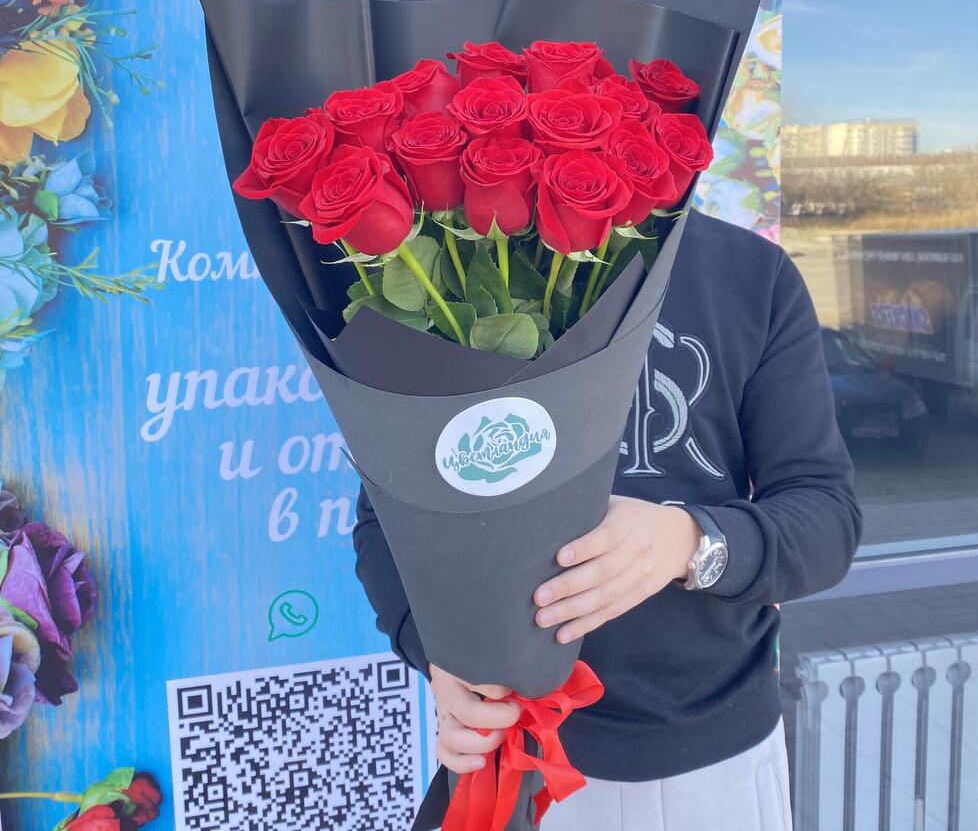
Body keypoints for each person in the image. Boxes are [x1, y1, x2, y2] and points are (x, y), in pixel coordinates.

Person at [353, 208, 861, 831]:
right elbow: (383, 522)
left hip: (717, 759)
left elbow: (826, 521)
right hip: (518, 752)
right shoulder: (455, 266)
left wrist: (689, 542)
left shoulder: (749, 272)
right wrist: (437, 654)